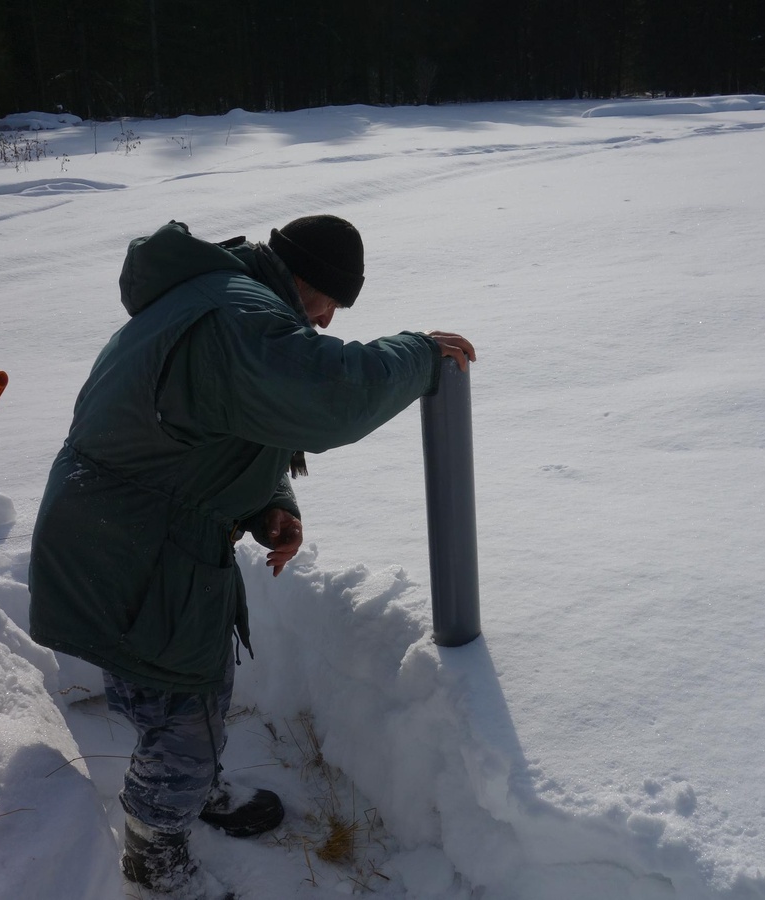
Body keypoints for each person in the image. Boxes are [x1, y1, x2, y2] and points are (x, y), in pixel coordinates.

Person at [27, 215, 475, 899]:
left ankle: (190, 786)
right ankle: (156, 852)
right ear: (306, 282)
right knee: (180, 713)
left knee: (184, 695)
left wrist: (270, 506)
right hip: (134, 549)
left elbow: (214, 426)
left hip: (131, 533)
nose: (326, 322)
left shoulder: (221, 299)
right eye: (330, 303)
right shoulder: (237, 316)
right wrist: (417, 355)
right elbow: (327, 397)